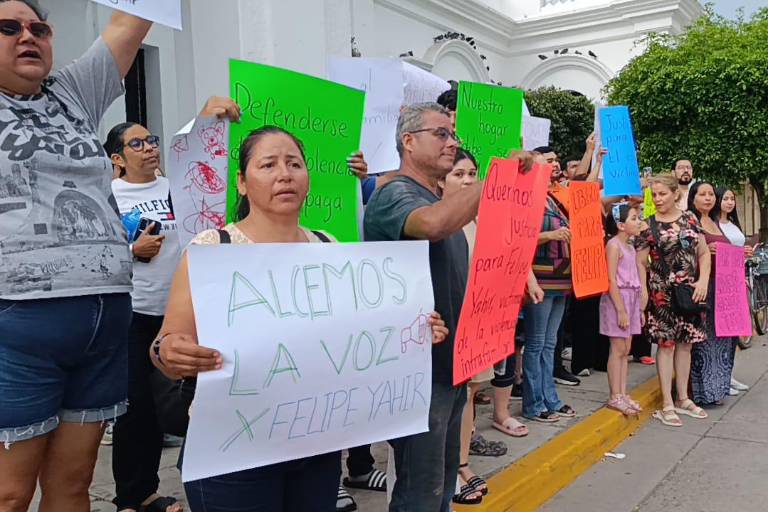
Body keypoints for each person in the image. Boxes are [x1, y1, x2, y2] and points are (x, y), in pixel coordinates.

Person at [152, 125, 450, 511]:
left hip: (314, 445)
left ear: (308, 178)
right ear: (242, 182)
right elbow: (166, 342)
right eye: (268, 165)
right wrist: (172, 351)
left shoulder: (327, 247)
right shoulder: (213, 250)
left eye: (294, 164)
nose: (284, 174)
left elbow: (355, 336)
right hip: (232, 450)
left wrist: (414, 332)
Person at [0, 2, 152, 510]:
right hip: (16, 327)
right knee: (9, 492)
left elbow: (131, 20)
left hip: (105, 319)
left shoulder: (72, 92)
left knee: (73, 484)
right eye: (8, 28)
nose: (28, 36)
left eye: (38, 28)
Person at [108, 99, 233, 511]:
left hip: (182, 311)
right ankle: (136, 495)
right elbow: (94, 253)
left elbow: (197, 156)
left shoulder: (174, 186)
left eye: (151, 140)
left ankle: (204, 479)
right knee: (136, 410)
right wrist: (132, 249)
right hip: (133, 314)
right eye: (137, 143)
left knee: (191, 402)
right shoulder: (109, 195)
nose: (149, 148)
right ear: (117, 159)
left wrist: (206, 117)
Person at [364, 103, 480, 512]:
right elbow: (432, 226)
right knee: (421, 491)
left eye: (454, 135)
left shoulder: (435, 196)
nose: (453, 143)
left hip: (449, 365)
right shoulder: (394, 195)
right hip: (418, 370)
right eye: (442, 134)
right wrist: (492, 183)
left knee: (440, 486)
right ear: (408, 142)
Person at [636, 174, 710, 427]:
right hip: (662, 295)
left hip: (689, 292)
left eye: (662, 194)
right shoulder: (648, 226)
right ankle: (667, 401)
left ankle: (683, 397)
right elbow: (640, 262)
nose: (657, 199)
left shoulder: (690, 219)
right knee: (666, 345)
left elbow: (703, 252)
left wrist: (702, 281)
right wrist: (644, 293)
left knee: (686, 344)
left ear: (674, 193)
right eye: (654, 195)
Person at [523, 157, 577, 423]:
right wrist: (551, 236)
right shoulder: (524, 199)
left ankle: (551, 398)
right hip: (540, 280)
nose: (549, 169)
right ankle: (534, 403)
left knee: (549, 342)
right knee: (535, 343)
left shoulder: (551, 199)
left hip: (560, 280)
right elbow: (517, 237)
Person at [688, 182, 740, 406]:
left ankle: (718, 388)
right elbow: (684, 252)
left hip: (725, 287)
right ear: (693, 198)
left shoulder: (716, 221)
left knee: (723, 341)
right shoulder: (690, 221)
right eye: (702, 194)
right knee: (705, 341)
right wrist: (703, 251)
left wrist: (740, 253)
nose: (708, 198)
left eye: (711, 194)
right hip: (704, 285)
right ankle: (702, 392)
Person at [600, 203, 644, 416]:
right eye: (634, 218)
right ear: (620, 224)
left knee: (626, 350)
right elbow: (611, 279)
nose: (638, 222)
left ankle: (622, 392)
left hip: (632, 298)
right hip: (618, 300)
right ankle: (614, 395)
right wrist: (621, 310)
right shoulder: (614, 245)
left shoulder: (630, 246)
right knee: (617, 349)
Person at [716, 186, 751, 395]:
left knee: (733, 332)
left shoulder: (733, 224)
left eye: (732, 199)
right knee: (722, 332)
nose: (729, 202)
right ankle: (722, 377)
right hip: (721, 283)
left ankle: (729, 374)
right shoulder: (713, 226)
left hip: (737, 279)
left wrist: (744, 252)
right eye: (725, 198)